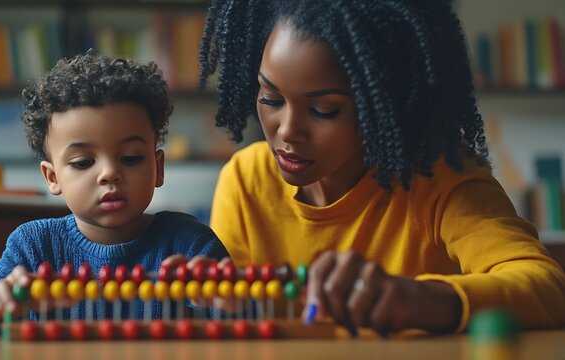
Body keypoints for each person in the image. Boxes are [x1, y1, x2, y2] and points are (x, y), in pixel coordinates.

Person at [198, 0, 565, 335]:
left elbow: (548, 287)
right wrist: (210, 290)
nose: (287, 130)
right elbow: (234, 312)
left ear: (383, 103)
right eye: (270, 98)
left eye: (324, 110)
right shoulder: (246, 180)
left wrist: (416, 299)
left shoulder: (439, 181)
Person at [0, 50, 229, 335]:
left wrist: (223, 298)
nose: (109, 173)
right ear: (52, 177)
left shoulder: (189, 243)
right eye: (83, 162)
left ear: (158, 167)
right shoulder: (34, 245)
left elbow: (244, 316)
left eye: (131, 158)